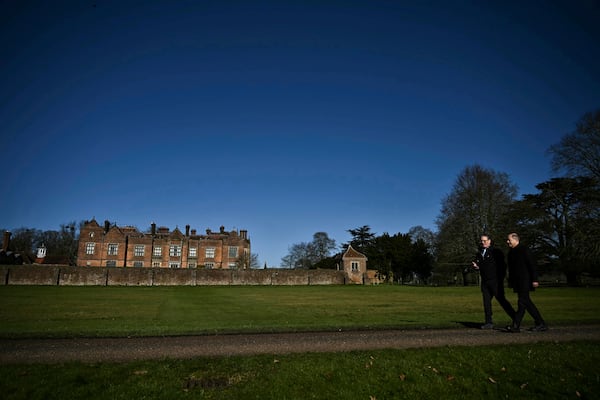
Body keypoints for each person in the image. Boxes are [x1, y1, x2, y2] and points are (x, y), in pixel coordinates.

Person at [504, 232, 548, 333]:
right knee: (522, 303)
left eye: (509, 240)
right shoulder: (511, 252)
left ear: (515, 240)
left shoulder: (524, 250)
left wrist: (535, 279)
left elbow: (532, 265)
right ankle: (517, 325)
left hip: (525, 280)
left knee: (524, 301)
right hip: (518, 282)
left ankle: (540, 323)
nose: (507, 242)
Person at [472, 234, 516, 329]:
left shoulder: (496, 252)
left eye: (485, 240)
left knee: (501, 300)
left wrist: (500, 279)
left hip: (495, 281)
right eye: (482, 241)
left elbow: (502, 266)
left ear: (489, 241)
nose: (483, 242)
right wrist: (476, 266)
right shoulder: (479, 252)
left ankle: (516, 319)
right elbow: (479, 264)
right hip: (485, 281)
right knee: (486, 302)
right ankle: (488, 322)